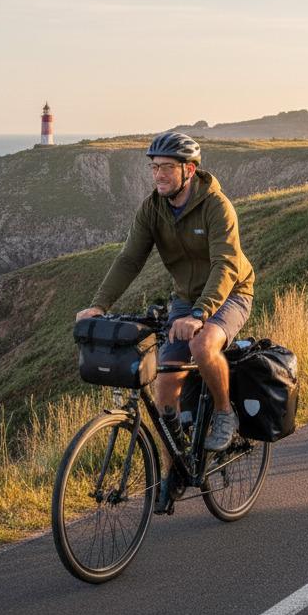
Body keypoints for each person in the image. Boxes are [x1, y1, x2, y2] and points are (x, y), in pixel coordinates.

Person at [75, 131, 255, 454]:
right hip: (186, 298)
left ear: (189, 170)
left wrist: (200, 314)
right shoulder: (152, 209)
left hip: (231, 293)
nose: (159, 174)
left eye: (167, 167)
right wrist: (98, 306)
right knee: (165, 383)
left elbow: (225, 266)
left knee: (202, 345)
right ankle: (175, 466)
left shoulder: (217, 207)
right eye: (155, 167)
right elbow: (129, 260)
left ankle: (224, 412)